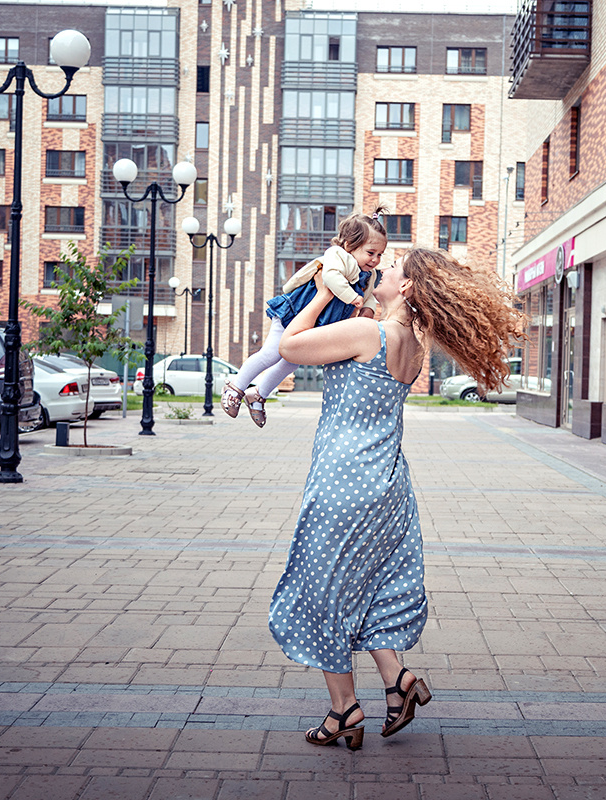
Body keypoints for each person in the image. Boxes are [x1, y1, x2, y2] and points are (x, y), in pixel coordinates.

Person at [267, 246, 526, 749]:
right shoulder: (412, 344)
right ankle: (398, 681)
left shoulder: (370, 333)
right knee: (370, 584)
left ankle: (344, 710)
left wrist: (321, 293)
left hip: (344, 483)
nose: (377, 270)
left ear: (406, 287)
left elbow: (290, 348)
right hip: (387, 484)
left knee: (323, 591)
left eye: (388, 269)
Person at [221, 208, 388, 427]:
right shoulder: (337, 256)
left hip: (316, 322)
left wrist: (367, 311)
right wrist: (352, 298)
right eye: (371, 252)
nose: (375, 260)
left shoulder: (370, 274)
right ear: (349, 245)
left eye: (380, 255)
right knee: (271, 353)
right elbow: (330, 277)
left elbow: (367, 298)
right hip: (296, 312)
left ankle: (259, 393)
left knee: (292, 363)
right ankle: (236, 386)